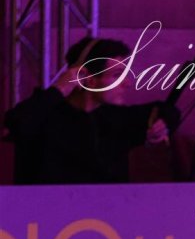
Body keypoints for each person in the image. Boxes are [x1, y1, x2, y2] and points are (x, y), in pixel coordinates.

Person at [3, 37, 179, 183]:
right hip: (46, 212)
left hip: (107, 213)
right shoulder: (45, 115)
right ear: (88, 79)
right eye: (117, 75)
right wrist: (59, 89)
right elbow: (14, 124)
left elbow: (165, 110)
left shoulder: (115, 117)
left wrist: (164, 122)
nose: (127, 83)